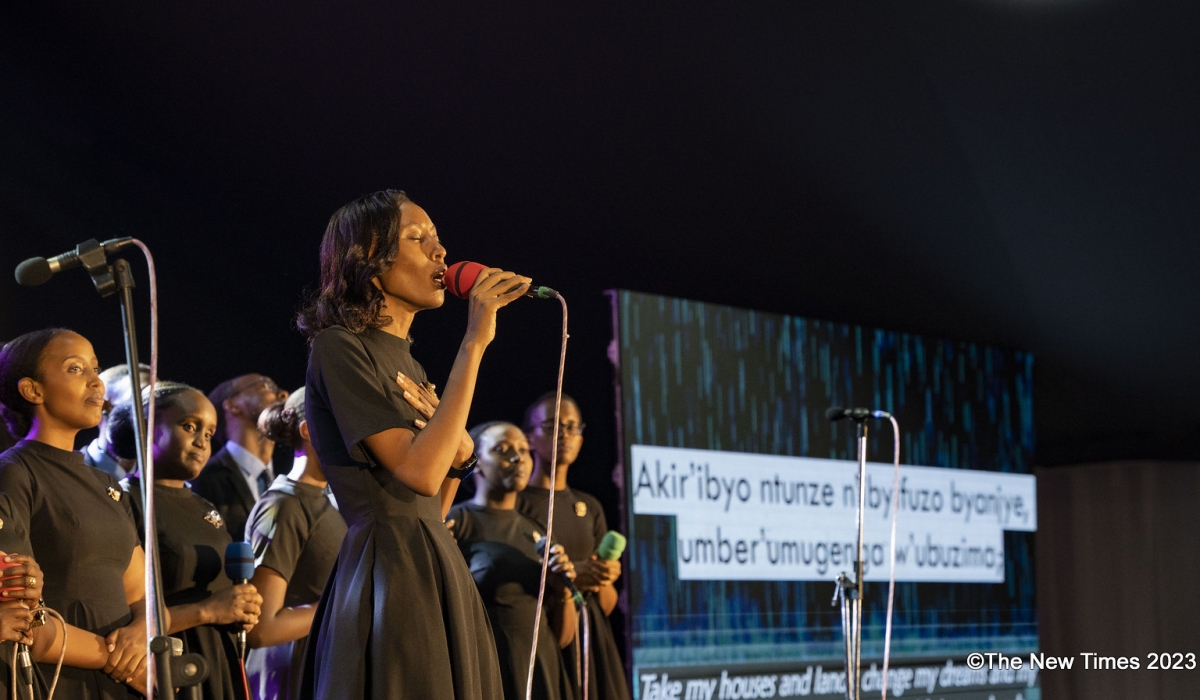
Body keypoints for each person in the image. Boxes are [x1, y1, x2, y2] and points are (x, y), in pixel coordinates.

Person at [295, 188, 529, 698]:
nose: (440, 253)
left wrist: (465, 458)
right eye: (417, 239)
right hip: (389, 569)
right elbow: (418, 473)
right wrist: (474, 343)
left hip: (433, 556)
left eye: (438, 240)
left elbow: (435, 500)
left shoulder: (412, 365)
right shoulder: (340, 346)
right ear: (369, 260)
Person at [0, 328, 150, 698]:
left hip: (125, 681)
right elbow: (18, 615)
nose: (96, 381)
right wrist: (120, 660)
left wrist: (143, 630)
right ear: (32, 390)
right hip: (60, 679)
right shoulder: (15, 472)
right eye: (75, 369)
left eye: (95, 369)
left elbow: (141, 591)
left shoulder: (107, 485)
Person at [111, 382, 264, 699]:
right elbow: (122, 613)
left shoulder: (205, 507)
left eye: (209, 434)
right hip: (167, 670)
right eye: (189, 426)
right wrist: (208, 611)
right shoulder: (126, 502)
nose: (201, 442)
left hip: (217, 663)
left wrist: (240, 609)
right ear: (147, 428)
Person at [449, 421, 577, 700]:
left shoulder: (538, 531)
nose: (518, 457)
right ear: (477, 462)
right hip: (490, 661)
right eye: (502, 449)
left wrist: (563, 592)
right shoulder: (456, 524)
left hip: (542, 665)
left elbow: (563, 639)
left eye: (523, 449)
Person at [517, 393, 630, 700]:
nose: (564, 434)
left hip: (591, 641)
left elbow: (605, 604)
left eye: (572, 426)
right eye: (553, 425)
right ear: (529, 436)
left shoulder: (589, 506)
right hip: (544, 637)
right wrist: (572, 577)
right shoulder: (517, 504)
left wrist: (604, 576)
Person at [245, 388, 347, 700]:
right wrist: (349, 605)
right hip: (292, 674)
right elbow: (263, 628)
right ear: (308, 430)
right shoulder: (285, 505)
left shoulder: (334, 502)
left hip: (328, 667)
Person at [190, 374, 289, 541]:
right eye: (265, 385)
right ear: (233, 405)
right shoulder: (205, 479)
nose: (284, 394)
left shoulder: (286, 478)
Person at [83, 363, 150, 479]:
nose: (154, 407)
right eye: (143, 396)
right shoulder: (65, 475)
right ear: (103, 406)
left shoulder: (159, 483)